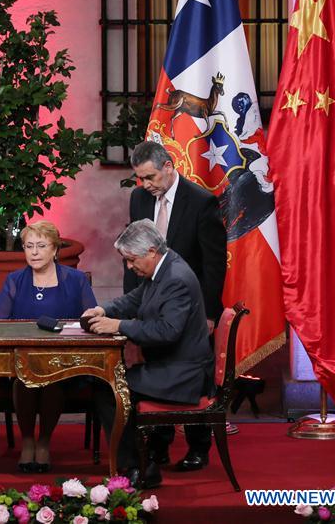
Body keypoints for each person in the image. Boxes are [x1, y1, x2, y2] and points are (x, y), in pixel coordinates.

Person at [82, 219, 214, 489]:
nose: (130, 267)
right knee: (109, 383)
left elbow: (167, 331)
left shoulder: (176, 279)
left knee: (109, 389)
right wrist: (104, 310)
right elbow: (135, 299)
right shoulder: (164, 268)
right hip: (171, 366)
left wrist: (117, 326)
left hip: (182, 373)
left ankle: (137, 468)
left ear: (152, 252)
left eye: (131, 260)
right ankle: (142, 460)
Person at [125, 140, 228, 471]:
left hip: (191, 307)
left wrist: (210, 312)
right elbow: (135, 253)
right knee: (157, 369)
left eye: (151, 177)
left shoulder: (201, 202)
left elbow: (213, 264)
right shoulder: (139, 198)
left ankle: (199, 448)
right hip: (151, 302)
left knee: (190, 371)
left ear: (168, 166)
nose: (146, 185)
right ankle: (158, 448)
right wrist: (128, 310)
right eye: (140, 178)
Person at [0, 220, 97, 473]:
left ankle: (44, 442)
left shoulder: (76, 280)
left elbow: (91, 319)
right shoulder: (15, 280)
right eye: (29, 246)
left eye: (41, 246)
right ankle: (28, 441)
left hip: (66, 362)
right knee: (25, 380)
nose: (34, 252)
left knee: (52, 381)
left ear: (55, 250)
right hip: (22, 361)